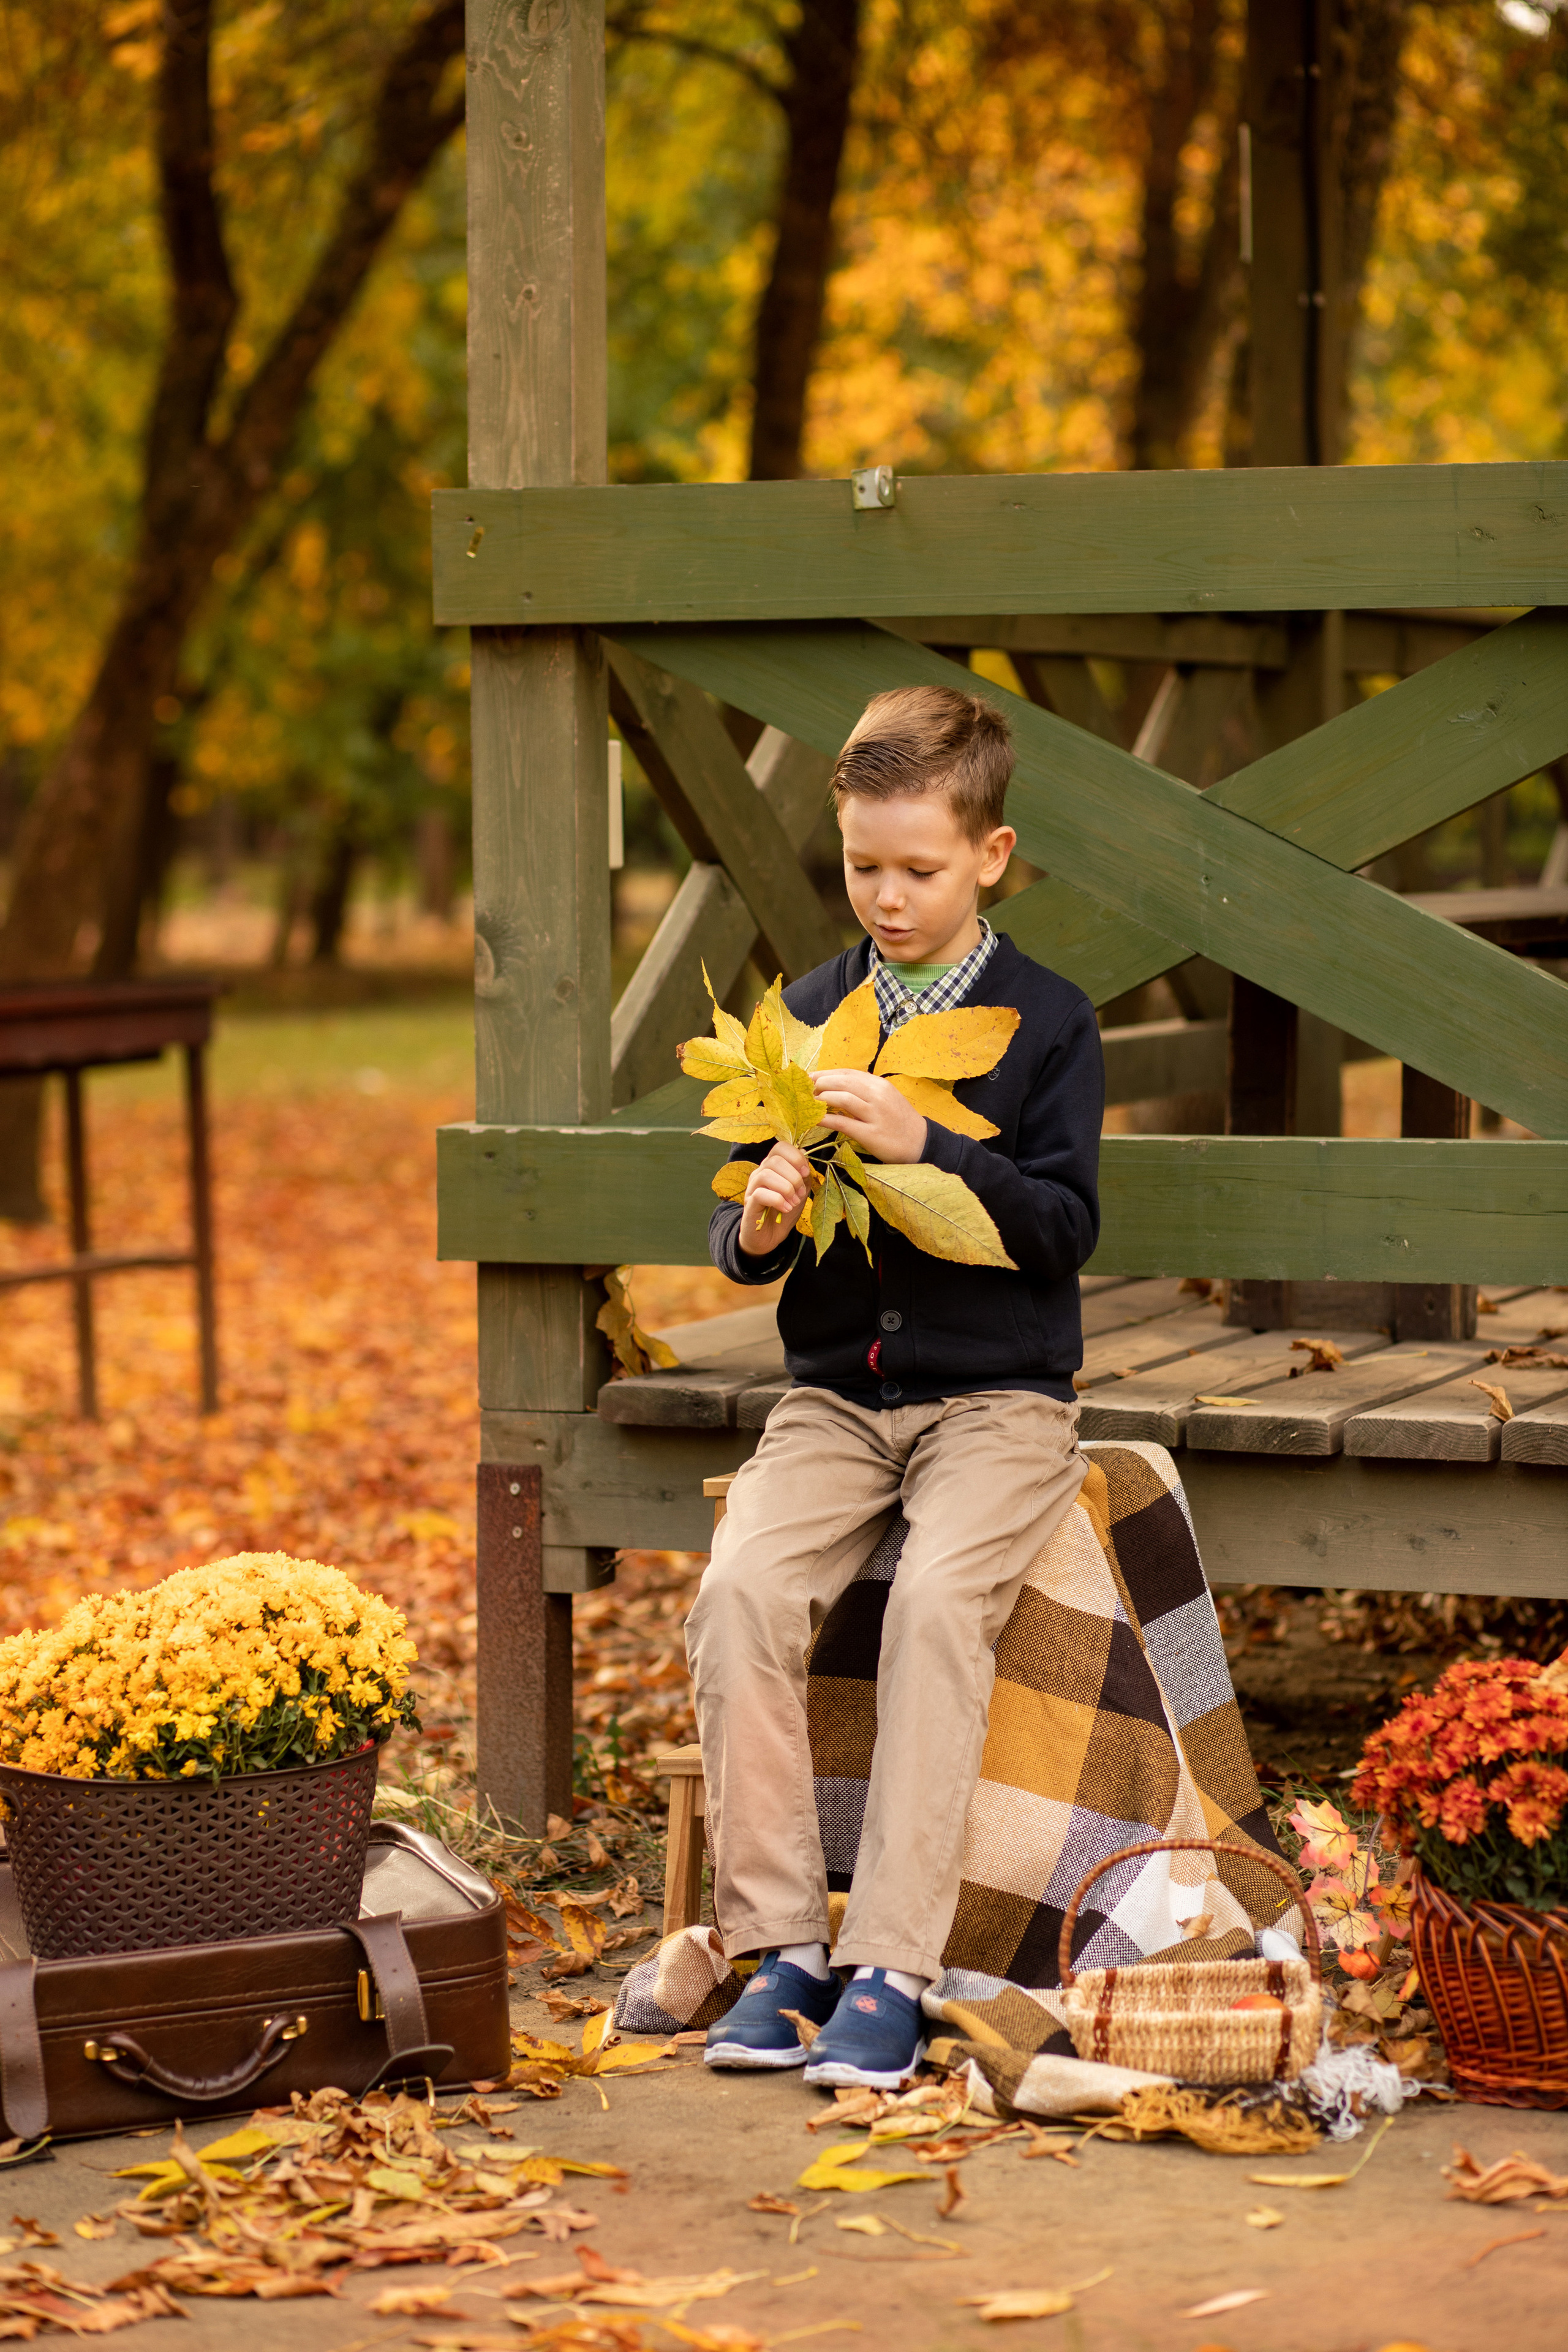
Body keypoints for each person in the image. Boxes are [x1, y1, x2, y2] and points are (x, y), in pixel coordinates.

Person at [685, 682, 1104, 2092]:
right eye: (862, 866)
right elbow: (740, 1234)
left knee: (933, 1605)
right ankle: (780, 1944)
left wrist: (934, 1143)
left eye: (916, 869)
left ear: (987, 855)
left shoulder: (1044, 1023)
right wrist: (759, 1219)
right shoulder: (807, 1017)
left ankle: (894, 1966)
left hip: (998, 1401)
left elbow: (1059, 1230)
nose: (884, 896)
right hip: (832, 1404)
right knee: (741, 1589)